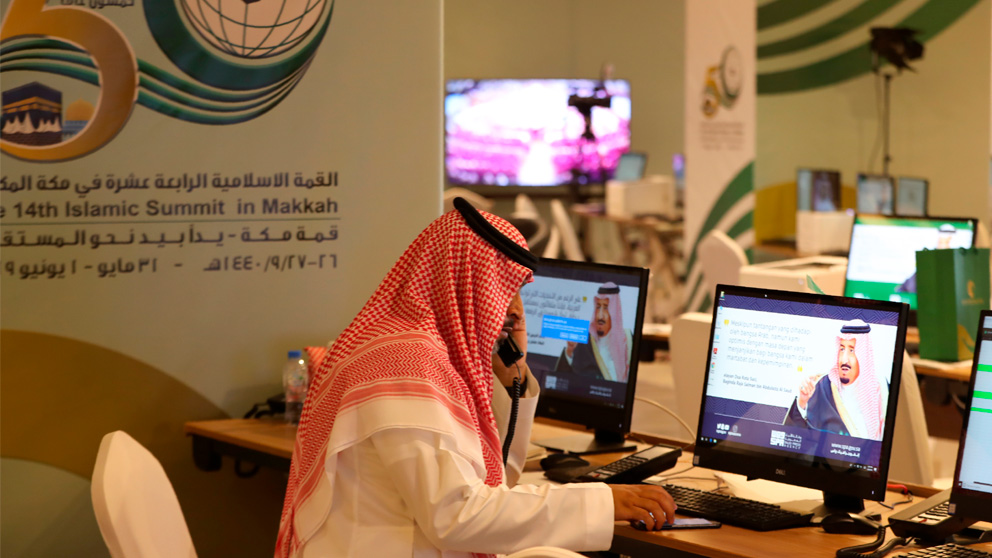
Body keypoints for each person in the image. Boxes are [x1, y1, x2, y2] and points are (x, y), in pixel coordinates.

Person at [275, 198, 675, 558]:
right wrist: (603, 502)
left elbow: (493, 481)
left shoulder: (426, 351)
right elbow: (456, 514)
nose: (516, 311)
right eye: (505, 291)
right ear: (467, 286)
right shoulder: (404, 364)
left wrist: (509, 379)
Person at [783, 320, 888, 440]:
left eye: (852, 350)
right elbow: (795, 440)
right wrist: (802, 402)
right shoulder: (822, 387)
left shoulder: (881, 391)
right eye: (842, 349)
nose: (844, 360)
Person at [554, 282, 633, 382]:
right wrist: (570, 352)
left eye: (606, 308)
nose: (600, 316)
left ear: (615, 311)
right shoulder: (585, 341)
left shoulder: (628, 340)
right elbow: (563, 381)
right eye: (598, 307)